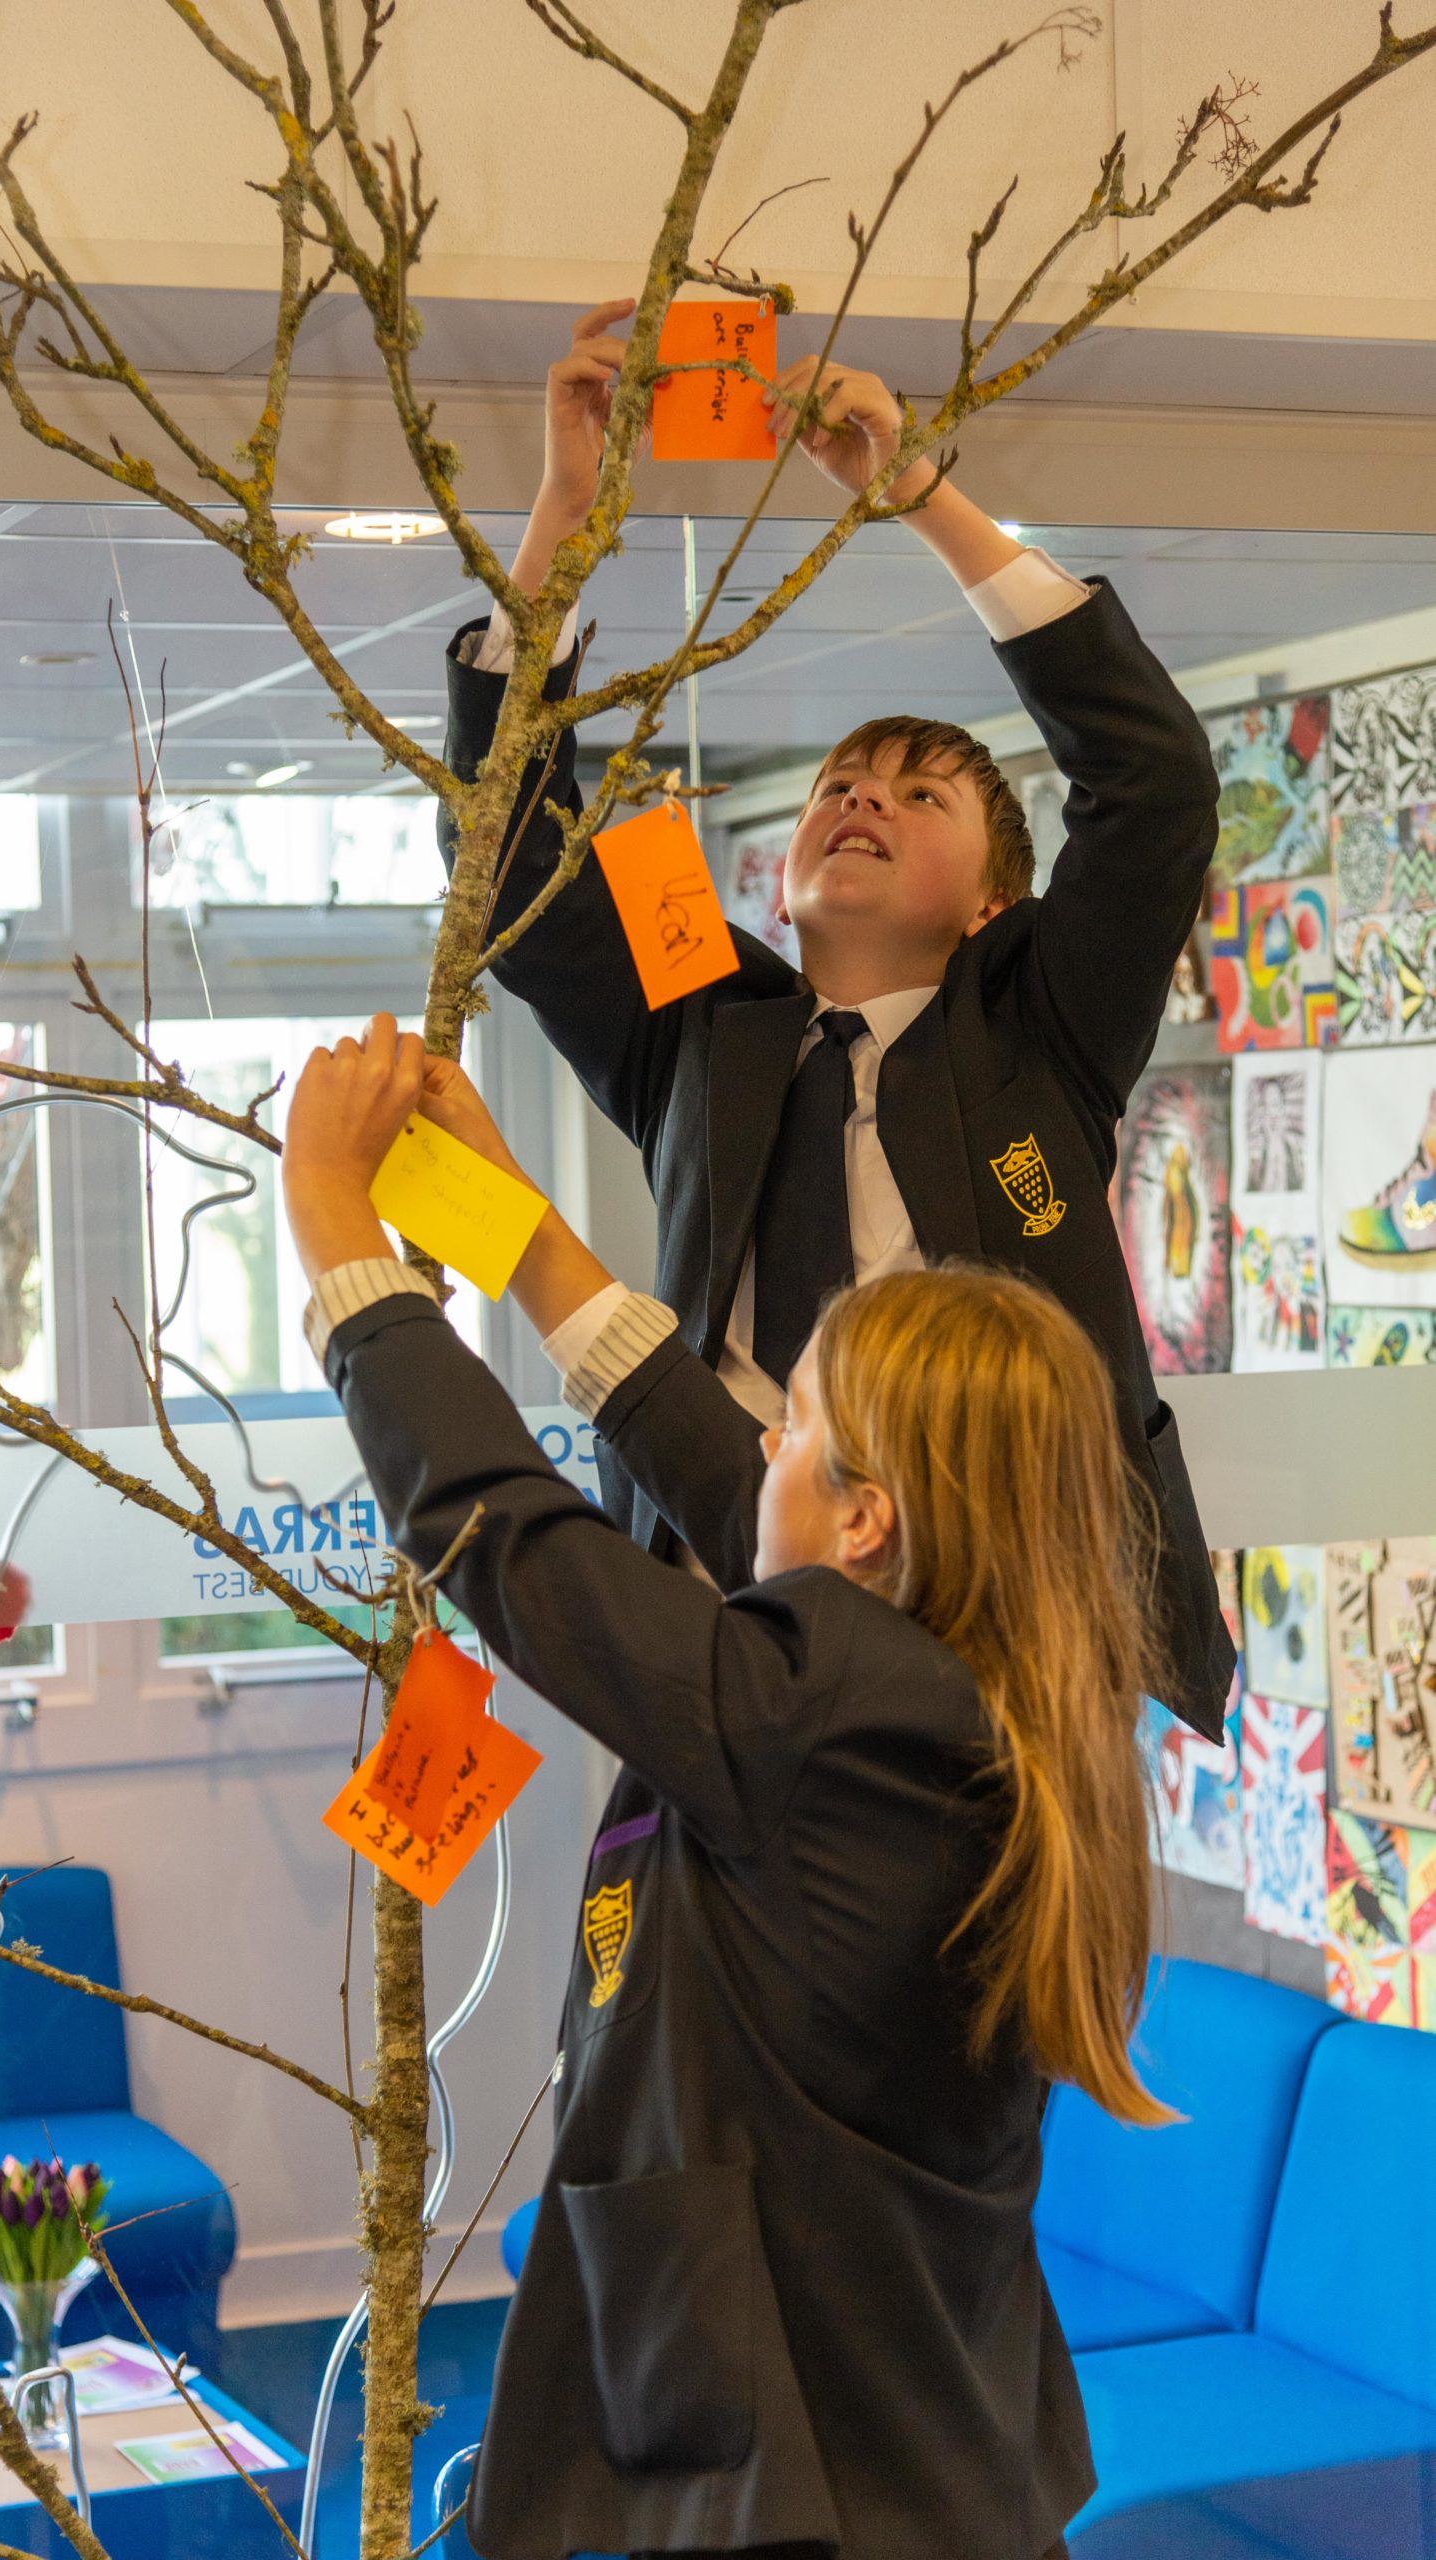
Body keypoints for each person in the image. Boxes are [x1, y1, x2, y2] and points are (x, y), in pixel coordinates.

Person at [282, 1014, 1174, 2560]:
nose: (762, 1444)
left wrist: (336, 1239)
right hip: (907, 2453)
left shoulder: (829, 1713)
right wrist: (513, 1231)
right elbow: (715, 1470)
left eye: (796, 1425)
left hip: (817, 2490)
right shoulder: (962, 1690)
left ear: (866, 1520)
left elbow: (520, 1542)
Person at [441, 299, 1234, 1740]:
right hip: (722, 1583)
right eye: (841, 786)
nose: (862, 795)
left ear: (992, 901)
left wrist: (919, 496)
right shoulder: (703, 1023)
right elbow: (507, 867)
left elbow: (1157, 784)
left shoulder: (1040, 1025)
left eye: (919, 794)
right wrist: (563, 513)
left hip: (1005, 1602)